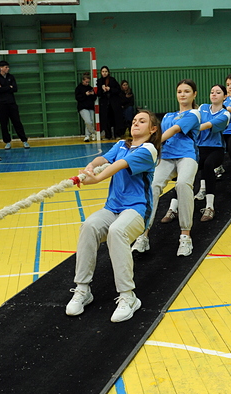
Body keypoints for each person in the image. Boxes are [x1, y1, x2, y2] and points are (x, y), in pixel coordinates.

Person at [65, 110, 161, 323]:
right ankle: (82, 290)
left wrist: (97, 178)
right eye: (134, 120)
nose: (136, 123)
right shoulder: (121, 145)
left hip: (136, 209)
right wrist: (91, 166)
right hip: (112, 208)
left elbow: (120, 164)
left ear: (153, 129)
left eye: (142, 121)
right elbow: (105, 158)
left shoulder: (149, 150)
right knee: (89, 226)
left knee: (117, 231)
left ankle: (128, 296)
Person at [131, 80, 200, 257]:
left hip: (186, 156)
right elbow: (155, 132)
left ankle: (185, 236)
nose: (182, 94)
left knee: (183, 184)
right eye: (179, 91)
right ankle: (143, 235)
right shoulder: (169, 115)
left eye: (187, 91)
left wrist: (149, 144)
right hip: (167, 157)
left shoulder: (194, 114)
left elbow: (174, 130)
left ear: (194, 94)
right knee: (152, 186)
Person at [193, 84, 231, 221]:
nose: (214, 94)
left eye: (218, 92)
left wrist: (190, 128)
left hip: (216, 149)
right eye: (212, 92)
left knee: (208, 165)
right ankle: (173, 208)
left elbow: (208, 125)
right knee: (185, 169)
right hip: (199, 148)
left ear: (225, 97)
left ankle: (209, 207)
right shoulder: (202, 108)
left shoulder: (225, 114)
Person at [0, 60, 29, 149]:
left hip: (11, 103)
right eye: (6, 67)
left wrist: (4, 87)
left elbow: (15, 88)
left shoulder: (11, 77)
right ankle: (7, 142)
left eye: (8, 67)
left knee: (17, 122)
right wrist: (9, 87)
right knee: (4, 124)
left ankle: (24, 140)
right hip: (1, 104)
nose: (8, 69)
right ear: (1, 68)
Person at [96, 66, 123, 139]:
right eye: (103, 72)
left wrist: (110, 89)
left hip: (114, 103)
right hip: (104, 104)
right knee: (106, 119)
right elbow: (98, 93)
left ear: (108, 72)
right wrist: (102, 90)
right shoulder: (99, 81)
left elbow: (118, 90)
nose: (104, 73)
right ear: (101, 73)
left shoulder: (112, 80)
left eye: (106, 71)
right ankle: (108, 135)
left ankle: (117, 134)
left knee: (116, 118)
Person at [75, 73, 96, 142]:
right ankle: (93, 132)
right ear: (83, 80)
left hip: (90, 107)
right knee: (88, 121)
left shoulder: (90, 88)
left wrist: (93, 94)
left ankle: (87, 135)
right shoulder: (78, 88)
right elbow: (77, 98)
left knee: (91, 122)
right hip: (83, 107)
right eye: (86, 82)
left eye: (88, 82)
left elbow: (94, 98)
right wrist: (85, 94)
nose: (87, 83)